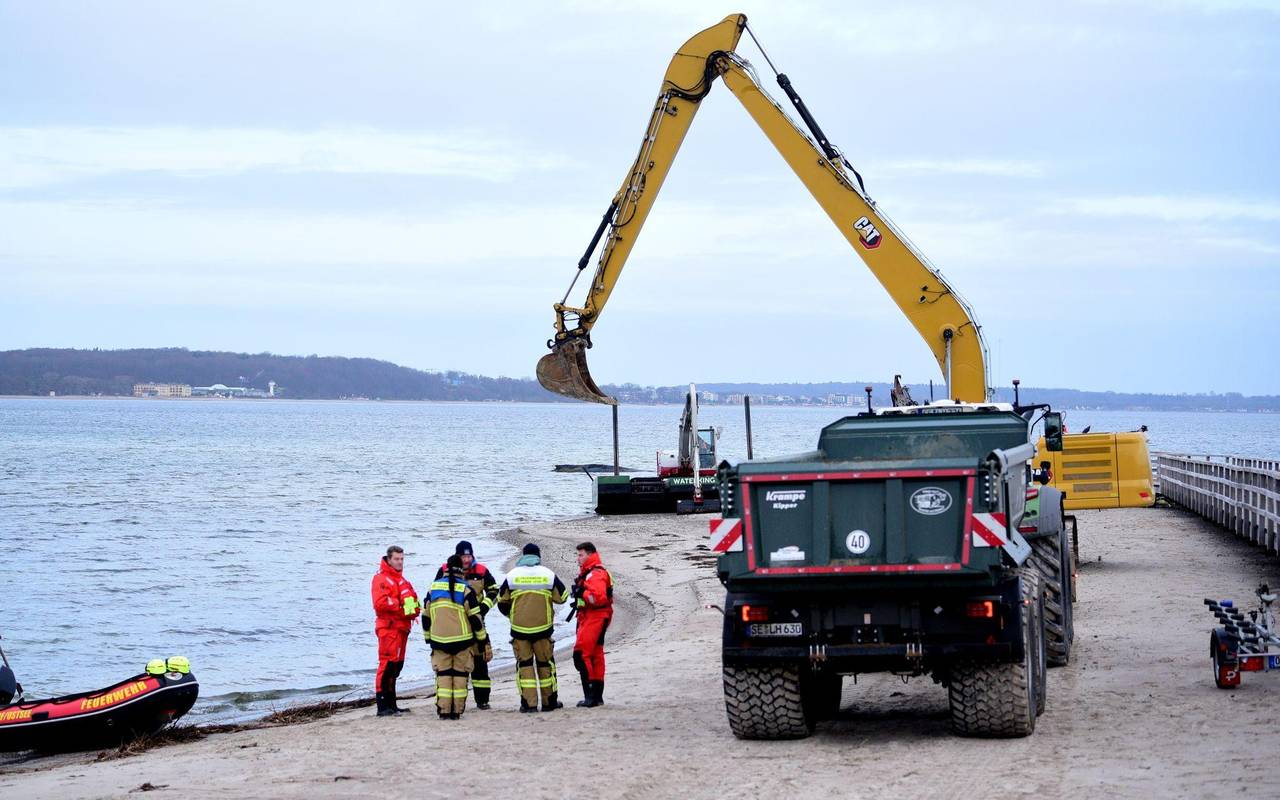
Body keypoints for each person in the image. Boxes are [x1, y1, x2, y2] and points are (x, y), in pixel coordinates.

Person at [496, 543, 569, 712]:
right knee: (545, 665)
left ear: (523, 556)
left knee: (525, 666)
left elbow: (500, 602)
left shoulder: (512, 575)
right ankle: (549, 702)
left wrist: (513, 616)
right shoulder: (548, 575)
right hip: (543, 629)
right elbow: (563, 597)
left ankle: (529, 705)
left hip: (519, 630)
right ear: (538, 557)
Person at [434, 540, 498, 709]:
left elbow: (494, 590)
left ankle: (482, 700)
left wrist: (483, 607)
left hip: (476, 619)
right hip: (454, 622)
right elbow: (435, 593)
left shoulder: (481, 571)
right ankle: (455, 701)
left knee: (480, 661)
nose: (466, 560)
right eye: (463, 556)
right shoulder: (444, 570)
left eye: (469, 556)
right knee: (456, 663)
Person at [424, 554, 489, 720]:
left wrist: (428, 637)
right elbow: (476, 619)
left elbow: (426, 616)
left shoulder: (433, 588)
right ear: (461, 570)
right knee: (460, 677)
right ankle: (457, 711)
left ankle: (444, 711)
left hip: (439, 641)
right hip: (462, 641)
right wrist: (482, 640)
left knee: (444, 677)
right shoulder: (466, 590)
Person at [371, 545, 419, 717]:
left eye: (402, 559)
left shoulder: (401, 580)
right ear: (389, 559)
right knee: (387, 665)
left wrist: (412, 609)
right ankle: (383, 706)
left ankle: (392, 705)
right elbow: (380, 603)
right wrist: (400, 607)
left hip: (401, 628)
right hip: (388, 628)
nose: (400, 562)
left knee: (396, 667)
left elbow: (413, 604)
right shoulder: (381, 579)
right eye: (397, 559)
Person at [571, 541, 614, 708]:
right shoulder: (592, 573)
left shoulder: (595, 574)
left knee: (581, 654)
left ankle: (591, 696)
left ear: (590, 554)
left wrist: (581, 592)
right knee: (595, 655)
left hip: (595, 616)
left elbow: (597, 598)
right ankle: (596, 696)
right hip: (593, 616)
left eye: (580, 555)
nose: (578, 559)